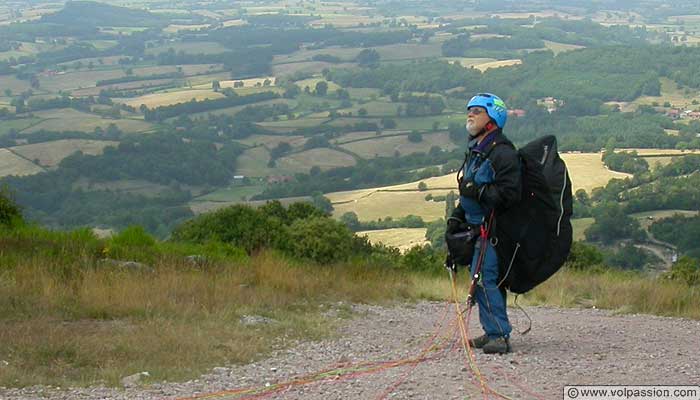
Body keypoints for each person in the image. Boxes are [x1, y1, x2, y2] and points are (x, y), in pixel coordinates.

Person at [447, 93, 521, 354]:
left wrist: (477, 192)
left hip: (494, 230)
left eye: (477, 111)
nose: (470, 114)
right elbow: (468, 189)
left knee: (484, 279)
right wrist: (457, 216)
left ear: (493, 117)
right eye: (469, 110)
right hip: (475, 227)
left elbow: (511, 194)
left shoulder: (502, 153)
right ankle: (491, 330)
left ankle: (499, 335)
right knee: (478, 279)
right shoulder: (478, 150)